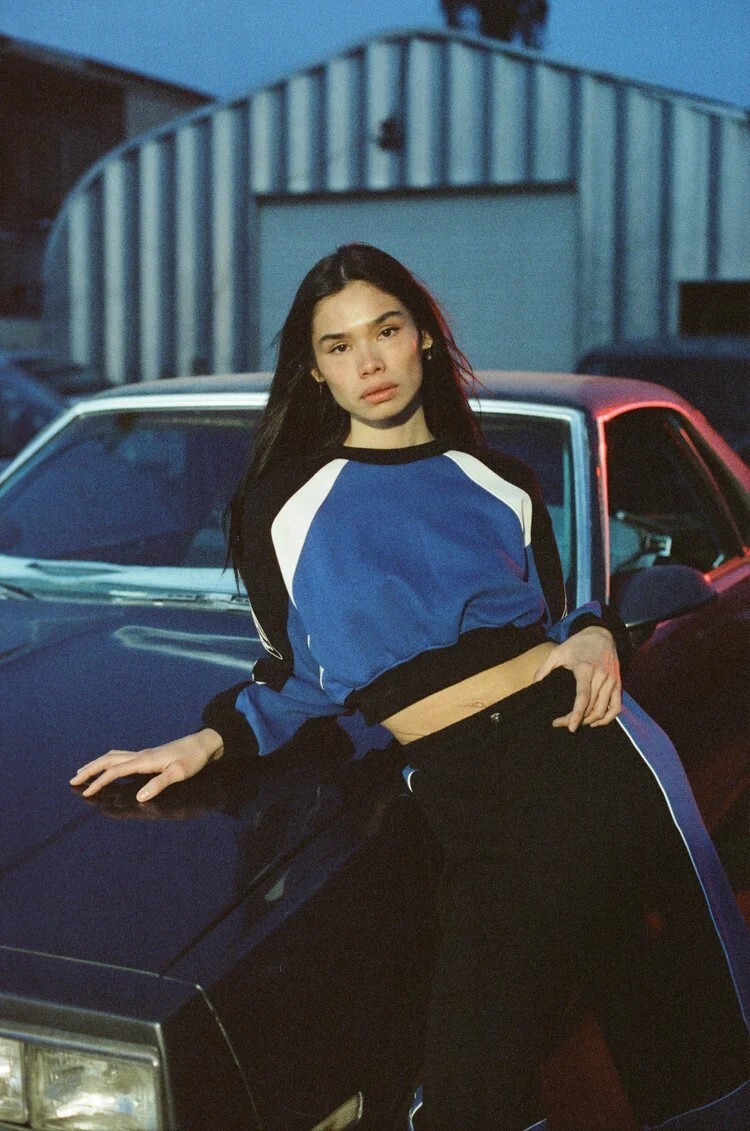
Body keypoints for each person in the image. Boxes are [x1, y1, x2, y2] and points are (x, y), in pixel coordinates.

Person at [71, 244, 750, 1131]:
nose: (370, 361)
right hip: (463, 790)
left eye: (386, 330)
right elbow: (300, 673)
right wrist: (208, 738)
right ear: (315, 370)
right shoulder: (285, 504)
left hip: (596, 757)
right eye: (340, 345)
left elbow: (554, 618)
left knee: (690, 1036)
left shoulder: (502, 482)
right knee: (471, 1088)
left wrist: (595, 630)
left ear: (423, 337)